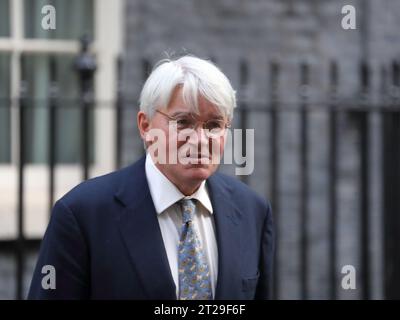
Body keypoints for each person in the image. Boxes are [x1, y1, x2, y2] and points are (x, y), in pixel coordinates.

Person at [28, 55, 274, 300]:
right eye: (183, 122)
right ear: (145, 126)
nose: (200, 140)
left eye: (214, 125)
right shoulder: (82, 214)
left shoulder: (252, 210)